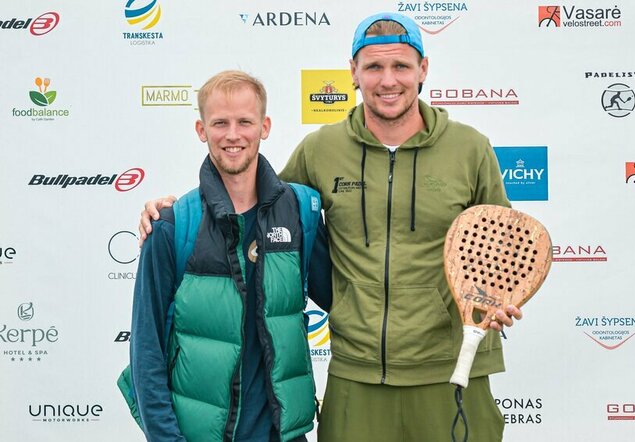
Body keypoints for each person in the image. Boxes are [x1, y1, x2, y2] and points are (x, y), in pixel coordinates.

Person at [140, 13, 521, 442]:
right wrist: (174, 209)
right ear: (353, 73)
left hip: (451, 370)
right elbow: (255, 208)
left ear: (423, 70)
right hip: (356, 375)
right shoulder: (322, 149)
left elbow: (501, 244)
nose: (388, 80)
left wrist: (498, 296)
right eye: (373, 67)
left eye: (400, 66)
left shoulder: (470, 148)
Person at [129, 70, 331, 442]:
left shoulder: (300, 211)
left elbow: (344, 298)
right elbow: (146, 351)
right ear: (201, 130)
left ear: (265, 126)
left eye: (245, 122)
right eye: (220, 123)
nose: (233, 135)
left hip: (283, 435)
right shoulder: (172, 226)